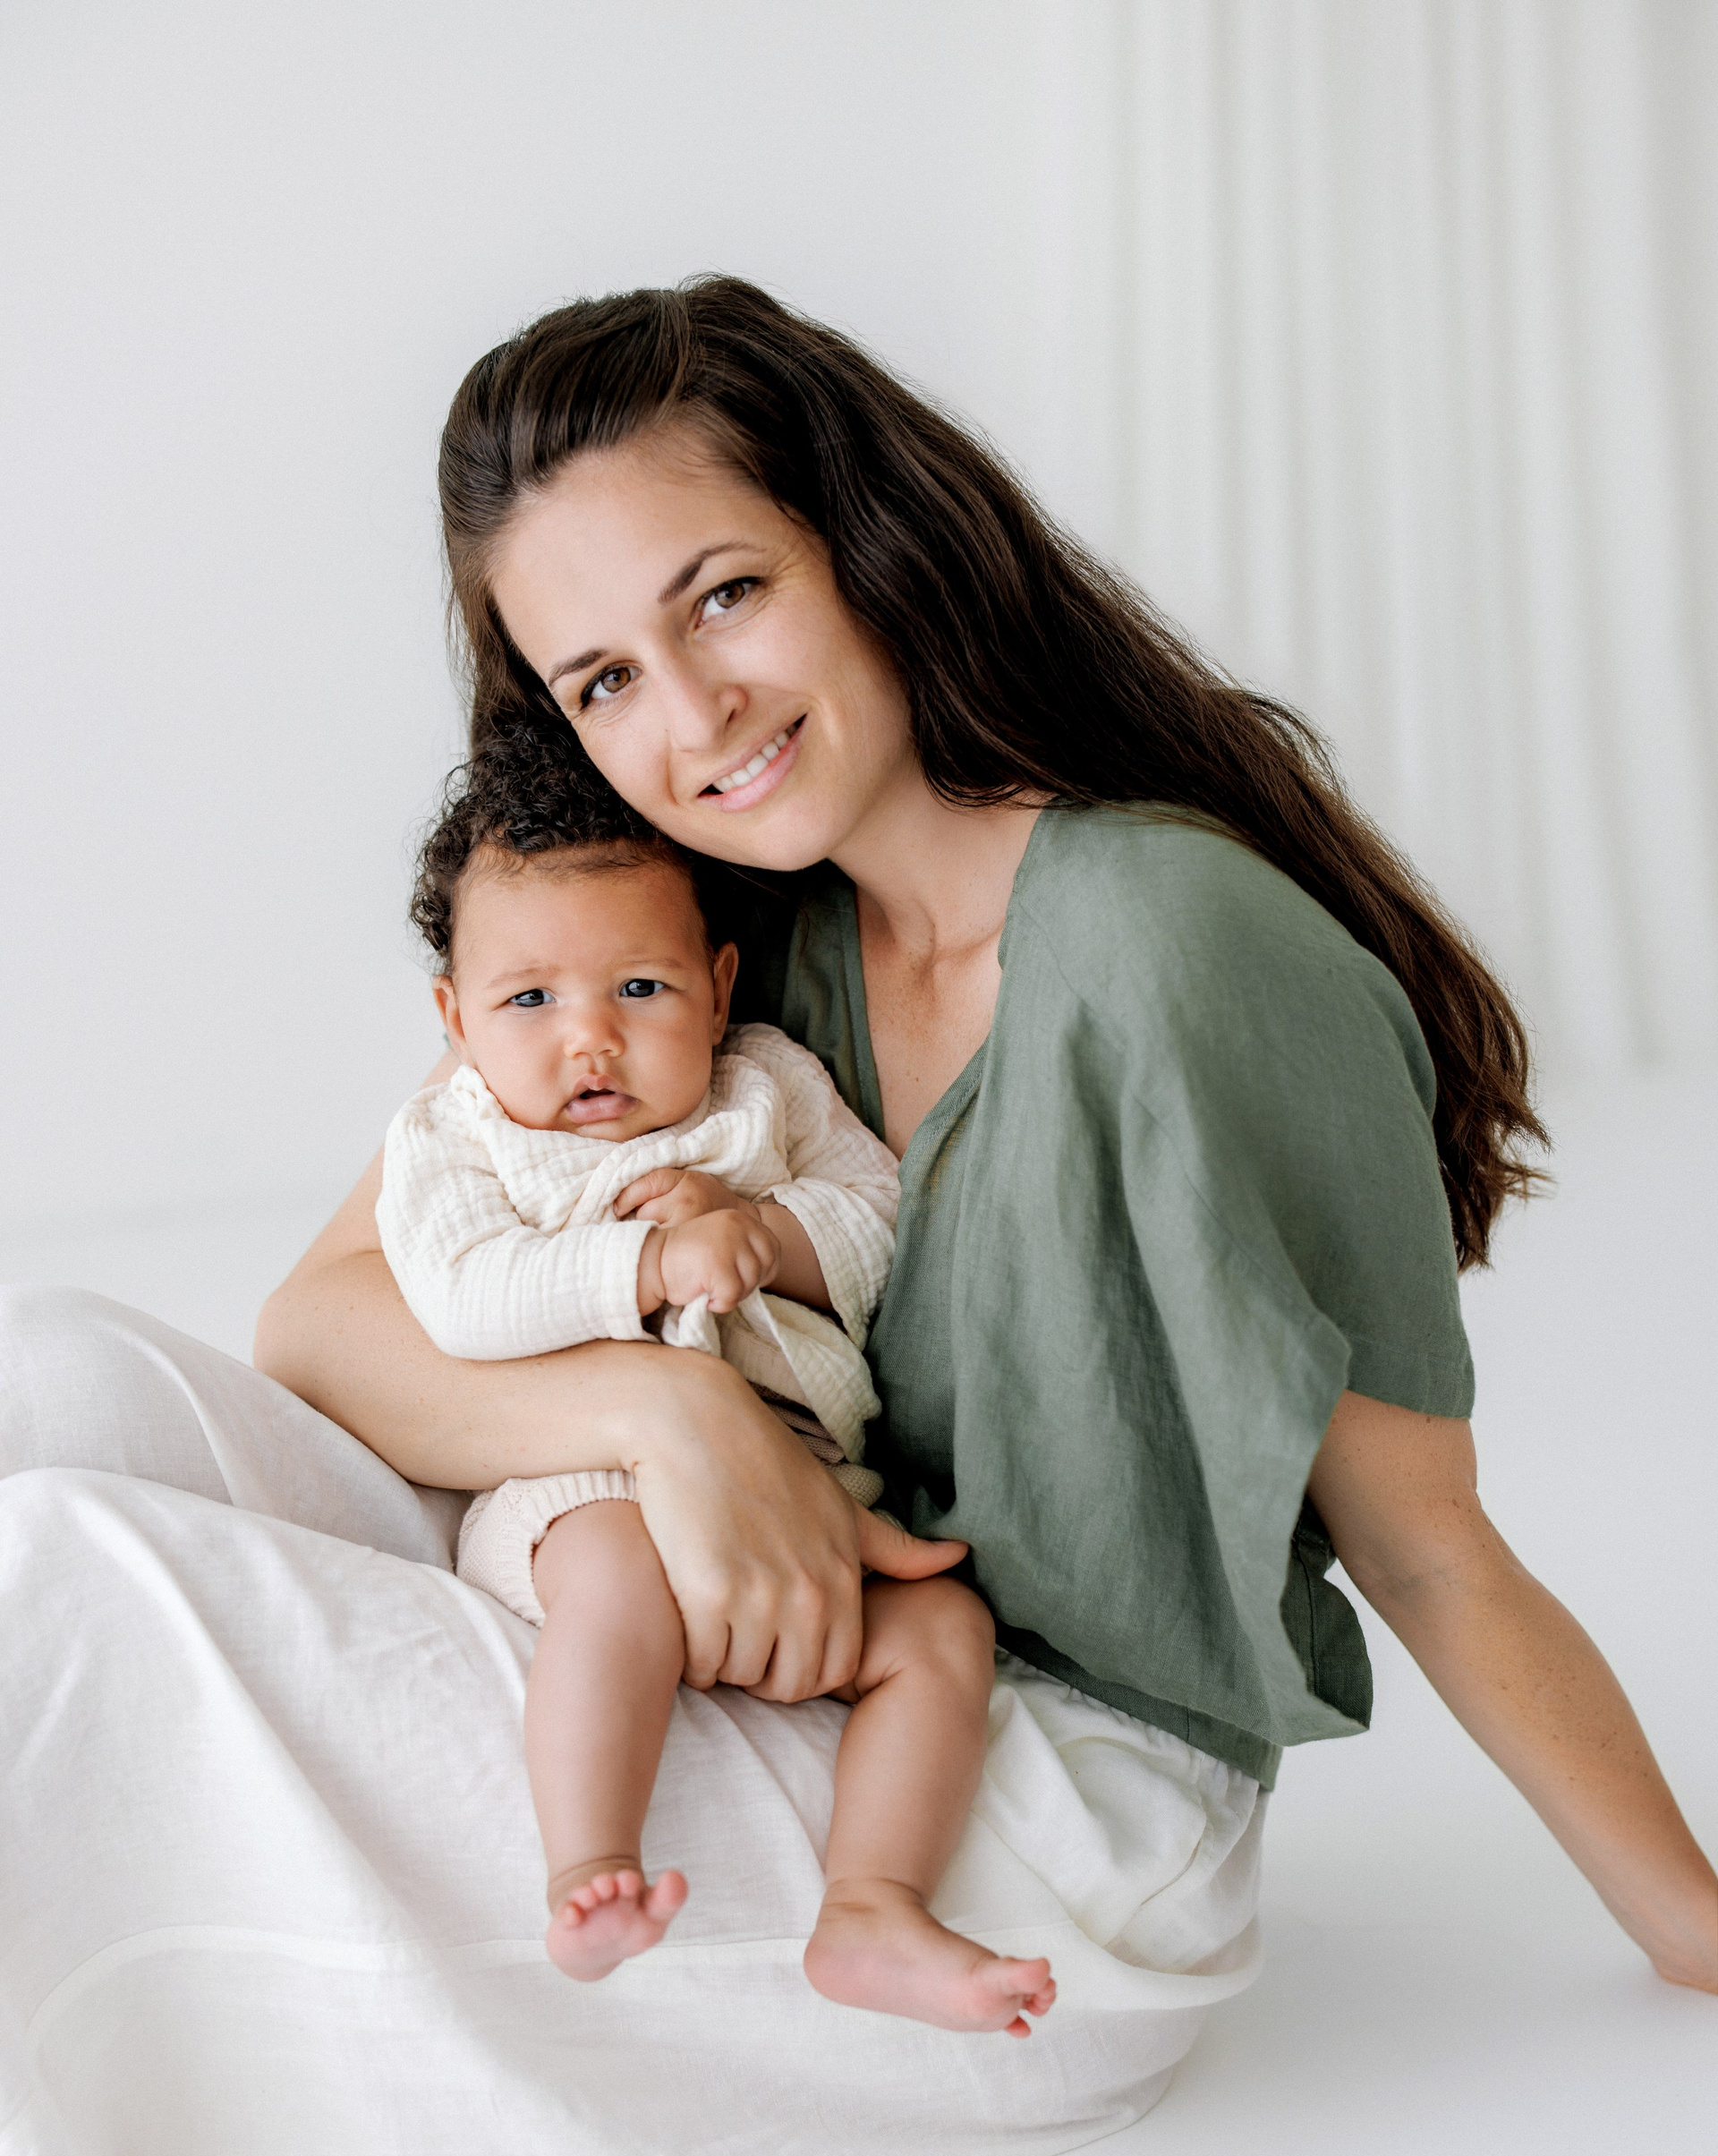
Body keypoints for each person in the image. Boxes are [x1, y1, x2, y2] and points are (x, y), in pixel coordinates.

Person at [261, 276, 1714, 1990]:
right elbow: (320, 1324)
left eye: (725, 595)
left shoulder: (1170, 944)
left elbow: (1427, 1546)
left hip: (1030, 1802)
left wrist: (1690, 1925)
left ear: (868, 541)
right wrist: (670, 1417)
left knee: (115, 1593)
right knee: (87, 1408)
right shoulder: (715, 948)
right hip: (755, 1668)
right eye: (603, 681)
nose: (692, 715)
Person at [378, 726, 1051, 2031]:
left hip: (798, 1490)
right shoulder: (456, 1139)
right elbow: (463, 1294)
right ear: (456, 1019)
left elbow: (884, 1220)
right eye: (529, 1002)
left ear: (718, 980)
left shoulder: (766, 1091)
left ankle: (873, 1907)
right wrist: (649, 1260)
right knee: (616, 1585)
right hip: (585, 1488)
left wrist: (766, 1233)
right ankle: (589, 1867)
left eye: (640, 988)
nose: (591, 1042)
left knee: (941, 1634)